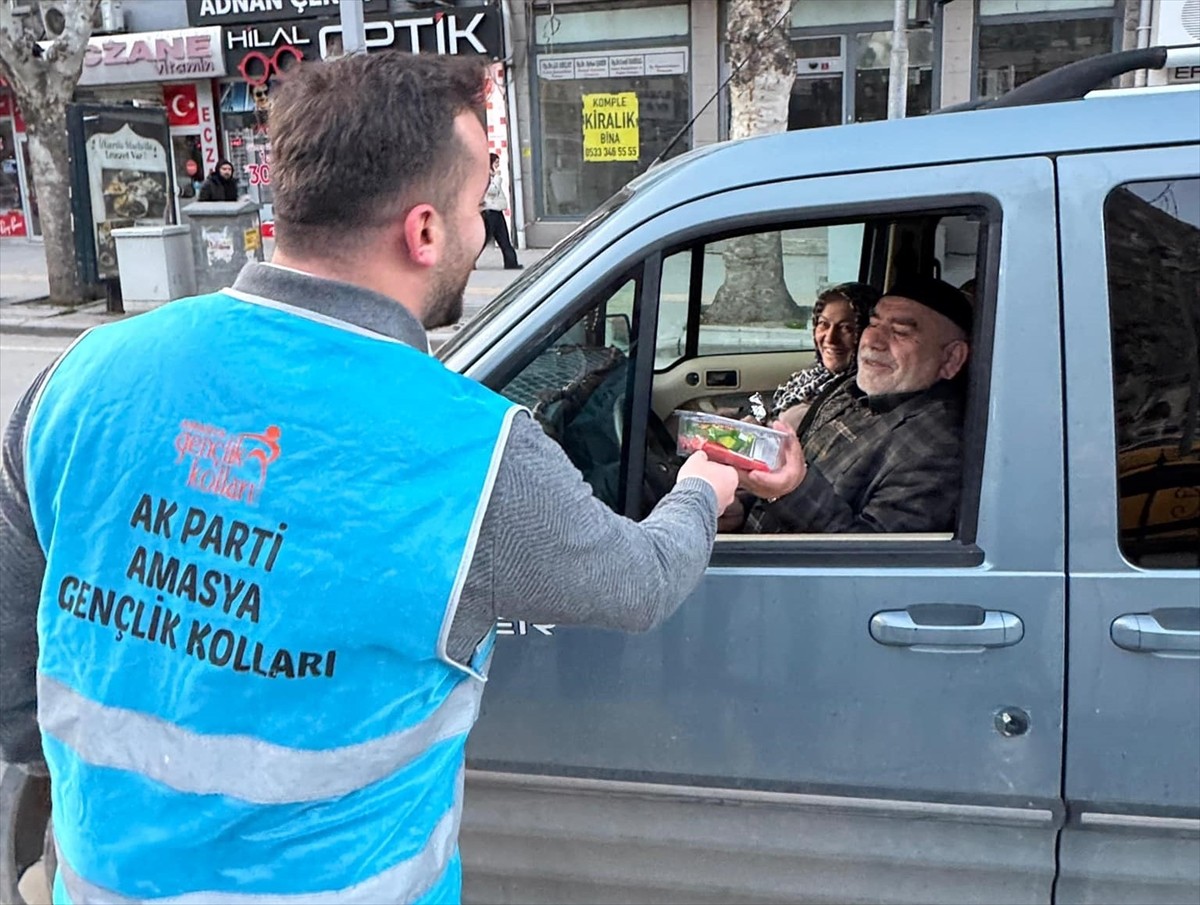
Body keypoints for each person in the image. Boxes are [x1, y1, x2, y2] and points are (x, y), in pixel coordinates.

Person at [0, 52, 740, 905]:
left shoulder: (84, 375)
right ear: (423, 231)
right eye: (474, 205)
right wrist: (704, 487)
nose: (480, 224)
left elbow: (16, 663)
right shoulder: (475, 452)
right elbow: (641, 582)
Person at [732, 276, 973, 534]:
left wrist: (788, 491)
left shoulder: (938, 448)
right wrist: (741, 508)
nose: (873, 341)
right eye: (873, 324)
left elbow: (871, 559)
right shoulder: (848, 389)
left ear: (951, 358)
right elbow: (791, 473)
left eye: (900, 332)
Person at [767, 281, 878, 430]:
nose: (830, 338)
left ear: (866, 332)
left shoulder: (858, 394)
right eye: (824, 324)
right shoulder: (814, 376)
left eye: (846, 328)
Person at [479, 152, 521, 270]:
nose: (498, 165)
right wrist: (497, 177)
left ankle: (511, 263)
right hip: (490, 212)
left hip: (497, 210)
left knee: (504, 239)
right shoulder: (485, 176)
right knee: (484, 239)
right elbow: (492, 192)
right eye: (496, 162)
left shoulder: (491, 175)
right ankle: (468, 261)